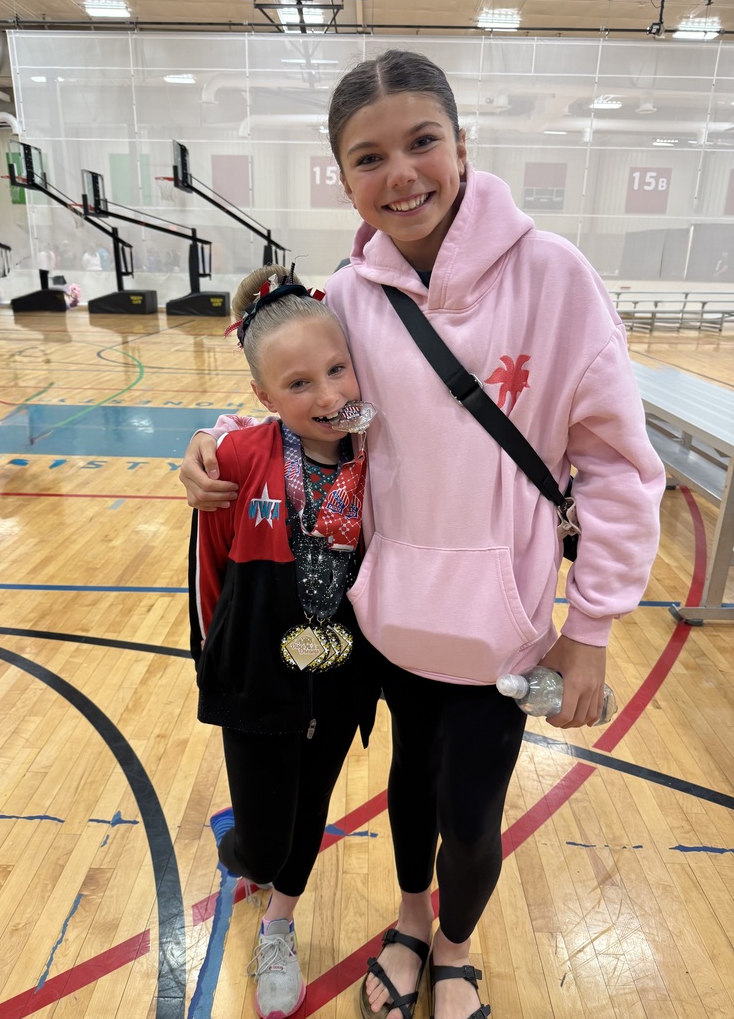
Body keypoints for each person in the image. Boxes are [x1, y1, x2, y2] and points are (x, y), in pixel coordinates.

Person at [181, 50, 665, 1019]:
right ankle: (407, 921)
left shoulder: (558, 277)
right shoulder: (351, 298)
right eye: (369, 157)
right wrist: (215, 443)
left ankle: (454, 949)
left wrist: (594, 627)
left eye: (422, 142)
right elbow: (301, 390)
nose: (400, 173)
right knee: (410, 789)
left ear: (461, 144)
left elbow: (618, 468)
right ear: (344, 175)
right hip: (392, 625)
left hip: (506, 629)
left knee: (473, 815)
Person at [189, 263, 379, 1019]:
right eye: (299, 385)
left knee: (310, 812)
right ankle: (245, 855)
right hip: (257, 683)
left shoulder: (380, 456)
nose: (330, 396)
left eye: (337, 370)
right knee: (265, 842)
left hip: (342, 678)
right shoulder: (234, 460)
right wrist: (218, 668)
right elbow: (210, 575)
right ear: (264, 400)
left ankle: (278, 924)